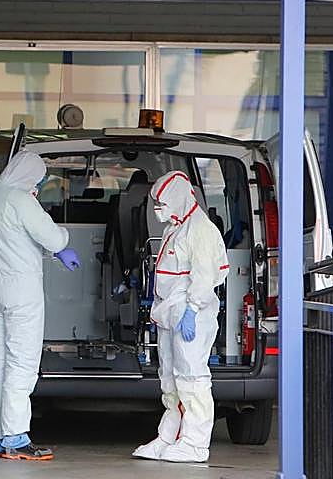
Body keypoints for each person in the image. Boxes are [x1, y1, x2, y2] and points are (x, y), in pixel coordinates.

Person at [0, 149, 79, 461]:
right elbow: (52, 238)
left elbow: (12, 237)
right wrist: (62, 245)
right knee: (21, 362)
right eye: (39, 178)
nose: (40, 184)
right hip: (21, 288)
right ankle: (16, 438)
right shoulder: (20, 199)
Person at [133, 170, 229, 464]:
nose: (158, 210)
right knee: (170, 379)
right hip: (171, 314)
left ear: (177, 199)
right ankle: (169, 436)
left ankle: (195, 443)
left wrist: (192, 309)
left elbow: (204, 277)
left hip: (191, 315)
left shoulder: (200, 229)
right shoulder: (175, 228)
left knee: (192, 378)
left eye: (161, 204)